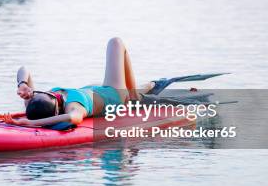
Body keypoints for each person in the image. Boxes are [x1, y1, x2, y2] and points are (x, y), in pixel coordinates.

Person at [9, 37, 165, 129]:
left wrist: (22, 84)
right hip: (114, 94)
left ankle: (148, 86)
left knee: (145, 86)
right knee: (116, 42)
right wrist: (31, 123)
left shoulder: (38, 102)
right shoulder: (73, 107)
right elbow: (73, 118)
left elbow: (24, 69)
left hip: (93, 90)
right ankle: (134, 95)